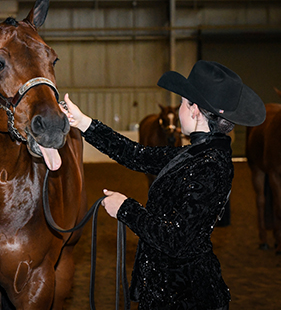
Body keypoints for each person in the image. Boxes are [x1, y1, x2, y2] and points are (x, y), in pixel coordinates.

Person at [61, 60, 266, 310]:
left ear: (194, 110)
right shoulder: (197, 154)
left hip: (183, 295)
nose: (179, 110)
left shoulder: (210, 166)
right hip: (168, 289)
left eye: (182, 103)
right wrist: (84, 123)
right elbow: (136, 155)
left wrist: (126, 209)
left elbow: (176, 240)